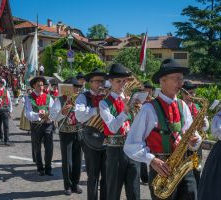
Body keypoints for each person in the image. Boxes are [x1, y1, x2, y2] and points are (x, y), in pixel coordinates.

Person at [124, 58, 202, 200]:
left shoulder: (183, 106)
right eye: (176, 79)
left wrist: (194, 141)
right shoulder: (148, 109)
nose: (181, 83)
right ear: (163, 80)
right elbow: (131, 144)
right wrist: (152, 160)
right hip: (162, 168)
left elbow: (192, 133)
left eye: (181, 79)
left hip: (184, 167)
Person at [99, 63, 141, 200]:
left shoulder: (131, 99)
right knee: (113, 191)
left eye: (124, 80)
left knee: (134, 191)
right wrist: (125, 111)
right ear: (110, 81)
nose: (123, 84)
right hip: (115, 150)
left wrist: (140, 111)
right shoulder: (104, 103)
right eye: (118, 81)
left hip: (133, 149)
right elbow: (112, 127)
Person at [75, 68, 107, 200]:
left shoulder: (108, 96)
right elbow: (80, 116)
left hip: (107, 139)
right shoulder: (83, 96)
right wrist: (96, 110)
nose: (101, 84)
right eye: (97, 81)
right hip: (90, 139)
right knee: (93, 175)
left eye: (102, 81)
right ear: (90, 83)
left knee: (106, 175)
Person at [50, 77, 83, 195]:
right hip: (65, 133)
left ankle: (76, 183)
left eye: (78, 88)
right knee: (67, 160)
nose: (77, 90)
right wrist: (62, 113)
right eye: (75, 88)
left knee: (78, 160)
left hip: (78, 132)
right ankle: (67, 185)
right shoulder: (59, 100)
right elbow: (53, 116)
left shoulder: (80, 99)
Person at [181, 80, 209, 187]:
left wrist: (203, 124)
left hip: (197, 144)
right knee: (185, 174)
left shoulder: (197, 107)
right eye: (191, 93)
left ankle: (197, 190)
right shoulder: (179, 106)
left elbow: (205, 127)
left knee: (197, 168)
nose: (194, 95)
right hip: (184, 145)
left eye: (194, 92)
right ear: (183, 93)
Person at [25, 76, 54, 176]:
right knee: (37, 147)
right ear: (34, 86)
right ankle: (40, 168)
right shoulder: (29, 98)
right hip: (36, 125)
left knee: (49, 147)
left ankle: (48, 168)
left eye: (42, 85)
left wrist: (50, 116)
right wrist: (38, 115)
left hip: (47, 124)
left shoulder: (48, 97)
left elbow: (53, 111)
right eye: (39, 85)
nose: (41, 87)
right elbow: (28, 113)